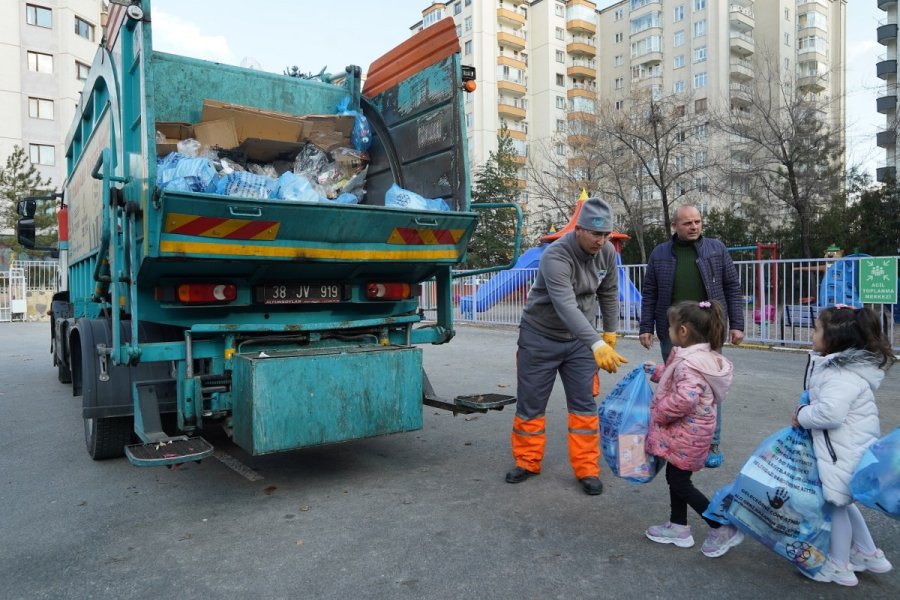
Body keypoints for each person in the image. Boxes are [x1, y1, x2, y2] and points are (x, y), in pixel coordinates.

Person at [506, 197, 627, 495]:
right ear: (580, 230)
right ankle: (527, 461)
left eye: (606, 235)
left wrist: (610, 332)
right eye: (596, 234)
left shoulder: (607, 252)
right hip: (540, 337)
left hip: (579, 344)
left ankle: (587, 467)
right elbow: (565, 307)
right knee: (531, 403)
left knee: (584, 406)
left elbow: (609, 292)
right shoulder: (555, 256)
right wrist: (597, 343)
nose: (602, 241)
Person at [791, 305, 895, 586]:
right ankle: (867, 552)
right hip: (848, 449)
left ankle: (839, 565)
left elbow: (830, 414)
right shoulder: (845, 368)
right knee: (843, 502)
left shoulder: (839, 374)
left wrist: (801, 415)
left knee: (836, 505)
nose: (812, 334)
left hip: (841, 452)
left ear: (835, 338)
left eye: (816, 329)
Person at [638, 205, 744, 468]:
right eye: (687, 223)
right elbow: (649, 291)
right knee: (675, 385)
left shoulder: (716, 249)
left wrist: (737, 324)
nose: (694, 227)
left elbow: (732, 287)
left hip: (709, 331)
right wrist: (645, 326)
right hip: (671, 332)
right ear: (674, 225)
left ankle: (712, 442)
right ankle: (676, 441)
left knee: (708, 389)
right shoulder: (660, 253)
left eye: (697, 221)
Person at [643, 300, 744, 558]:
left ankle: (720, 526)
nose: (668, 331)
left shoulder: (689, 363)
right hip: (692, 433)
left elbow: (685, 398)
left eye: (670, 327)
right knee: (678, 479)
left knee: (679, 482)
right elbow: (677, 378)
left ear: (684, 331)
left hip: (685, 433)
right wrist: (657, 373)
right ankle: (678, 526)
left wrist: (658, 411)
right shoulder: (698, 357)